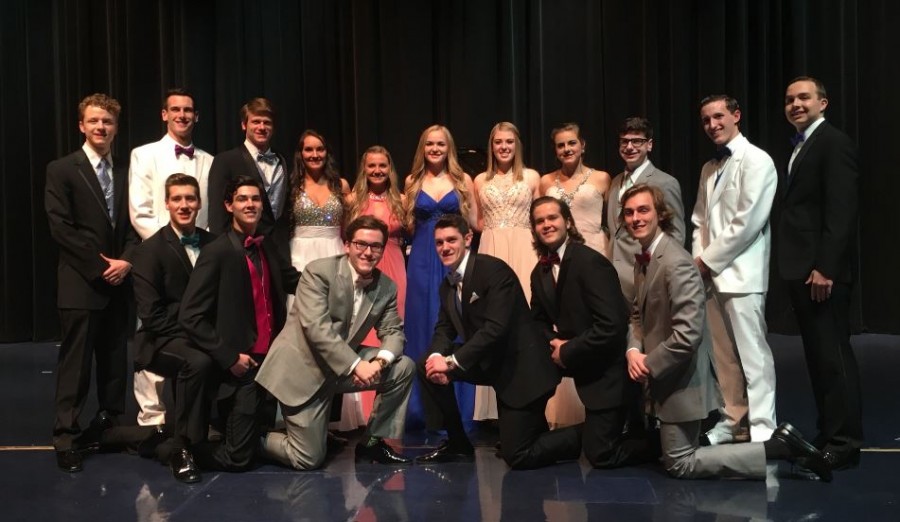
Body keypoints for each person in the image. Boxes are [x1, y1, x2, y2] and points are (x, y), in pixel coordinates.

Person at [621, 183, 830, 481]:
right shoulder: (645, 259)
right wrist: (632, 350)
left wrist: (647, 364)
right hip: (663, 381)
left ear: (660, 215)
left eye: (643, 210)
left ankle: (777, 447)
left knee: (680, 463)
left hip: (681, 381)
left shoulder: (676, 263)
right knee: (670, 453)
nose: (635, 218)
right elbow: (638, 315)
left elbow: (687, 337)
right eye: (629, 213)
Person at [415, 214, 581, 470]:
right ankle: (458, 442)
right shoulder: (447, 285)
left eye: (451, 240)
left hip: (524, 371)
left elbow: (496, 329)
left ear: (468, 239)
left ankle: (586, 435)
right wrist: (437, 356)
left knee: (517, 455)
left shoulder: (492, 270)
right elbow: (444, 329)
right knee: (426, 365)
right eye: (439, 243)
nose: (445, 247)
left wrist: (452, 362)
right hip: (494, 365)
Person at [256, 216, 415, 470]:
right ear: (347, 245)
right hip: (303, 370)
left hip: (338, 370)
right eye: (361, 244)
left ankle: (372, 442)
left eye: (376, 246)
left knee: (402, 366)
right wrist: (356, 365)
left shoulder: (386, 286)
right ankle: (252, 439)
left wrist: (380, 361)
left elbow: (394, 331)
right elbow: (317, 329)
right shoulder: (319, 271)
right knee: (307, 458)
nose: (368, 252)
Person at [45, 93, 139, 472]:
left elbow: (133, 224)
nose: (102, 127)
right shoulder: (62, 169)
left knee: (115, 362)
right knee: (76, 364)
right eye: (95, 121)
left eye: (108, 122)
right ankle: (66, 436)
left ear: (116, 128)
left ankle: (111, 428)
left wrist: (127, 261)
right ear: (81, 125)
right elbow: (60, 227)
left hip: (119, 279)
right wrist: (100, 266)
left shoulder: (125, 170)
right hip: (82, 282)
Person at [178, 176, 298, 471]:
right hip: (241, 368)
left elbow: (291, 279)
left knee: (257, 440)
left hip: (269, 361)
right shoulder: (217, 252)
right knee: (239, 458)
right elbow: (190, 315)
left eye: (256, 199)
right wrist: (229, 357)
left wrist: (340, 276)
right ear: (229, 205)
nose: (250, 204)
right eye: (243, 199)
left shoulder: (267, 245)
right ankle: (178, 450)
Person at [776, 76, 862, 470]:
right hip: (803, 270)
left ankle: (844, 443)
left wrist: (825, 267)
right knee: (818, 357)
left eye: (804, 97)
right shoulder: (802, 145)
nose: (796, 104)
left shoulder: (834, 142)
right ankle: (829, 431)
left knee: (832, 357)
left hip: (821, 273)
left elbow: (840, 212)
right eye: (790, 99)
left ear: (823, 103)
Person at [692, 95, 778, 445]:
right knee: (723, 358)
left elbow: (747, 222)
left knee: (752, 355)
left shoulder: (758, 160)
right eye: (706, 120)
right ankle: (733, 419)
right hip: (711, 276)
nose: (713, 125)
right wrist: (699, 261)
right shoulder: (709, 169)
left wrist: (706, 261)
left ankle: (763, 427)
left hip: (742, 276)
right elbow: (698, 220)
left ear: (736, 116)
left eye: (718, 116)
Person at [128, 88, 213, 431]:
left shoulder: (209, 160)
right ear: (164, 114)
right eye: (175, 109)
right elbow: (140, 212)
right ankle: (152, 417)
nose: (182, 115)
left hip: (201, 257)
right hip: (160, 255)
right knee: (153, 328)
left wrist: (201, 253)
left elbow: (206, 216)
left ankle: (189, 416)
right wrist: (170, 250)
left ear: (196, 116)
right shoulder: (143, 154)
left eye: (188, 110)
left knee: (196, 335)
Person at [529, 196, 633, 467]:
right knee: (525, 356)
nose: (546, 225)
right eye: (540, 221)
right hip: (577, 358)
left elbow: (612, 325)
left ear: (568, 222)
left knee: (601, 455)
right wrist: (555, 344)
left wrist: (568, 349)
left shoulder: (590, 263)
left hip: (608, 369)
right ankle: (525, 433)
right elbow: (536, 323)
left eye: (552, 218)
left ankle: (658, 441)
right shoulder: (539, 272)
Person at [131, 174, 216, 483]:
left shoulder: (213, 244)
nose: (184, 205)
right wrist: (201, 337)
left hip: (201, 335)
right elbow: (152, 316)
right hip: (161, 339)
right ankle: (182, 447)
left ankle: (205, 437)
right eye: (177, 199)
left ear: (199, 204)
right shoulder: (149, 250)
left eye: (190, 199)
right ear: (166, 203)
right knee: (198, 361)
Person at [403, 124, 477, 428]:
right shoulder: (412, 181)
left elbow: (473, 223)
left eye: (441, 145)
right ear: (423, 147)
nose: (435, 149)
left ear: (449, 149)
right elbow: (408, 225)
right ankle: (421, 412)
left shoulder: (462, 180)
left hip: (451, 256)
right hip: (421, 257)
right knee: (421, 325)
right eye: (430, 144)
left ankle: (458, 408)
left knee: (455, 324)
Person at [286, 129, 360, 432]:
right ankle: (298, 415)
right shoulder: (291, 187)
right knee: (302, 333)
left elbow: (351, 225)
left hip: (333, 253)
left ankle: (332, 419)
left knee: (336, 332)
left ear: (327, 153)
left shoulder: (339, 185)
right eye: (308, 150)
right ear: (300, 154)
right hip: (301, 257)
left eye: (320, 150)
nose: (314, 155)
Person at [471, 122, 540, 422]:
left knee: (526, 316)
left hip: (525, 246)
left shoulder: (532, 177)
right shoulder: (479, 180)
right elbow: (477, 221)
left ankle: (532, 399)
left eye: (509, 142)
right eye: (498, 142)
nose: (504, 147)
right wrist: (497, 234)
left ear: (517, 145)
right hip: (492, 246)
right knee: (493, 319)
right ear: (491, 146)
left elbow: (540, 216)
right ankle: (495, 407)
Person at [345, 146, 409, 419]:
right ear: (364, 169)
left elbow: (411, 234)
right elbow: (344, 237)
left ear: (390, 168)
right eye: (371, 166)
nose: (377, 171)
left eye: (382, 165)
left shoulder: (401, 200)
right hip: (362, 266)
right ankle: (364, 411)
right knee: (363, 331)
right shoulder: (352, 200)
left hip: (394, 264)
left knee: (390, 331)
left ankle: (386, 412)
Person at [607, 117, 685, 302]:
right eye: (624, 141)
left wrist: (659, 276)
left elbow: (675, 236)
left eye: (637, 141)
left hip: (646, 277)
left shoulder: (665, 182)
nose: (629, 147)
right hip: (614, 280)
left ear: (649, 145)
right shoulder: (615, 182)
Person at [207, 98, 292, 264]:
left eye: (267, 122)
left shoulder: (283, 160)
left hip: (279, 250)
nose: (261, 127)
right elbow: (217, 216)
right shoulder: (225, 161)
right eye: (256, 122)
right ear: (244, 125)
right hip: (241, 250)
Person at [540, 122, 611, 256]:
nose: (566, 149)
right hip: (559, 250)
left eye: (572, 143)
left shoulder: (602, 178)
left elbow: (610, 220)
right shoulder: (545, 181)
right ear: (555, 150)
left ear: (582, 145)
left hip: (595, 249)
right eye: (561, 145)